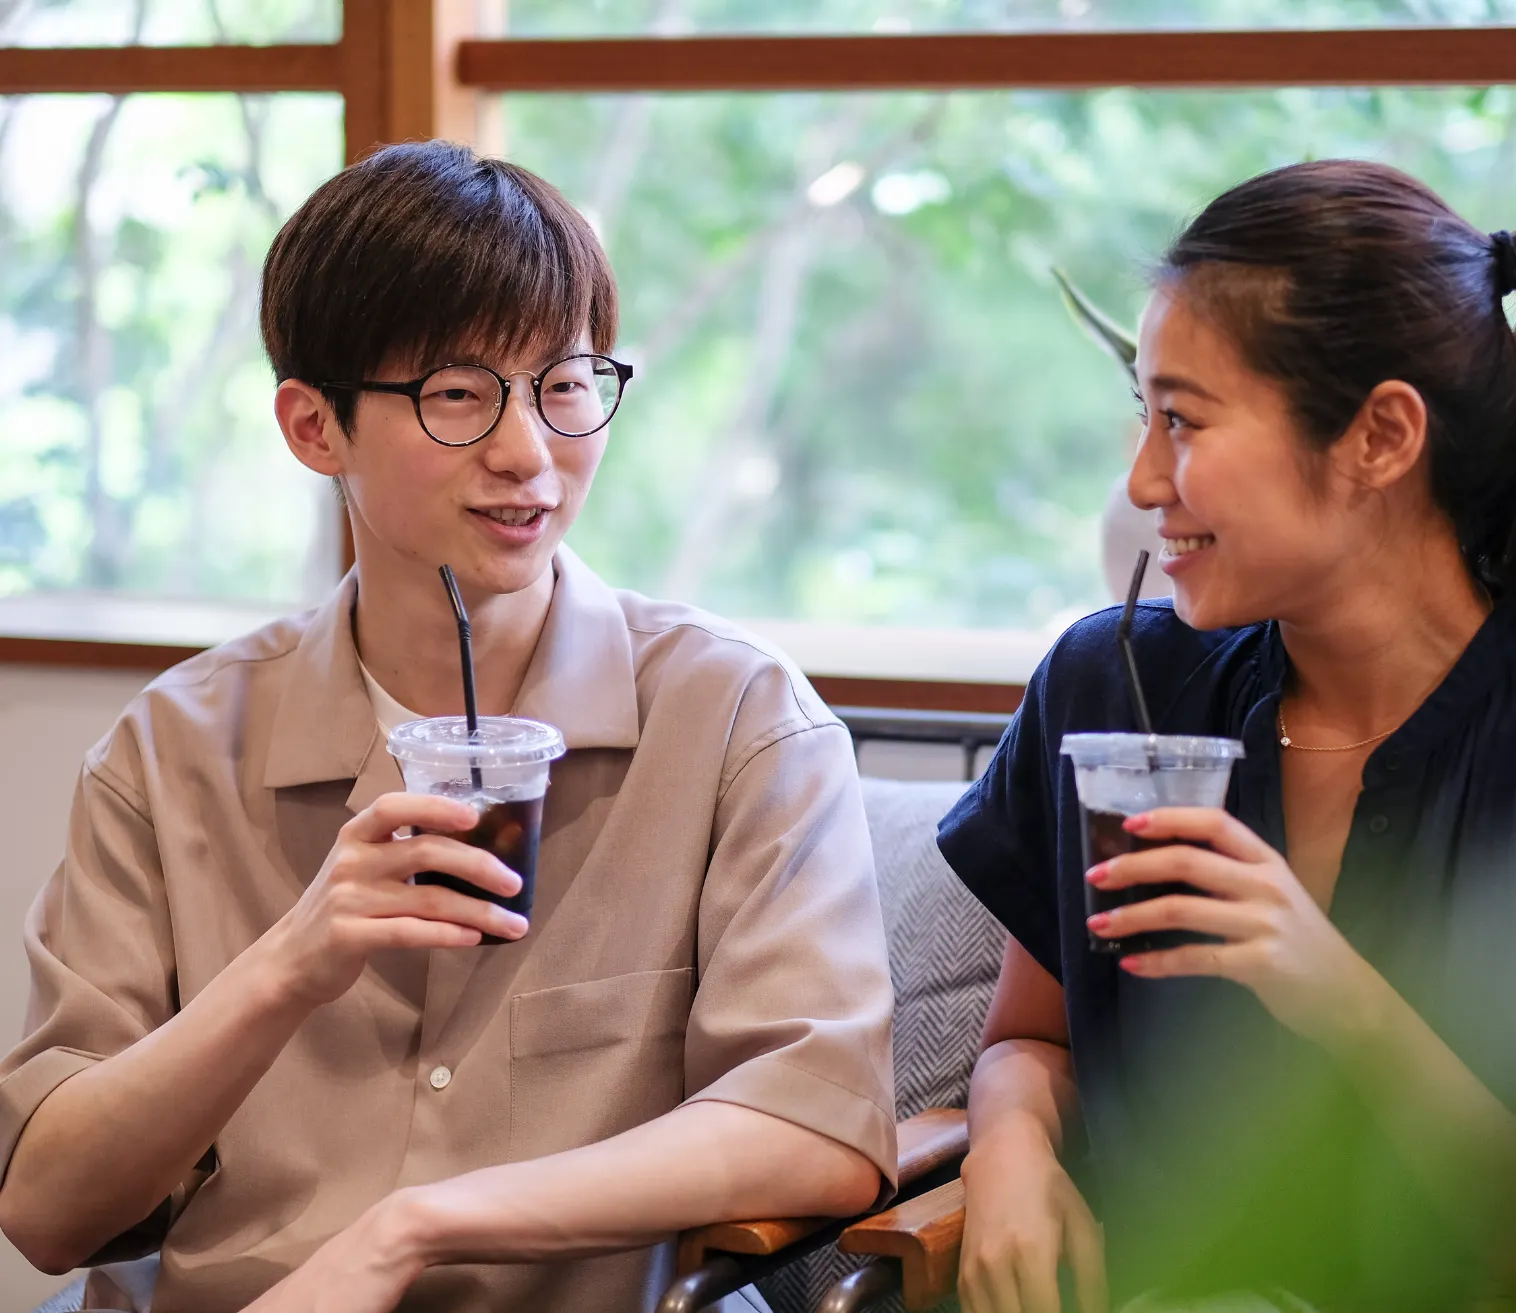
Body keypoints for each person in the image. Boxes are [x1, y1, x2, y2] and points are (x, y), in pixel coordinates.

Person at [0, 141, 897, 1313]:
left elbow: (813, 1122)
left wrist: (409, 1228)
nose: (529, 454)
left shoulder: (738, 720)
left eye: (566, 385)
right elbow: (49, 1210)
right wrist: (290, 964)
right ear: (315, 427)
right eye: (459, 395)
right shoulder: (171, 751)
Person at [938, 160, 1516, 1313]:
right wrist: (1008, 1142)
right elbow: (1031, 1036)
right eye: (1141, 416)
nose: (1141, 477)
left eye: (1182, 419)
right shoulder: (1115, 684)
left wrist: (1339, 995)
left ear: (1379, 436)